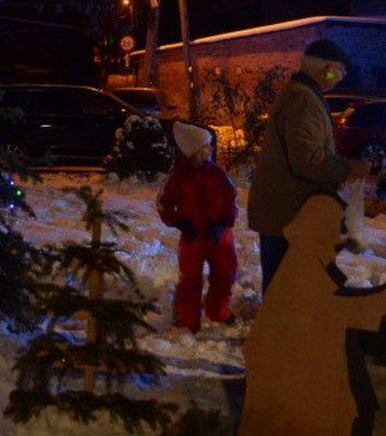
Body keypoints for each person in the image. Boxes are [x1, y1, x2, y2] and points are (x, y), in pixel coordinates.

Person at [248, 39, 371, 293]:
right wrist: (349, 167)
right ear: (326, 69)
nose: (340, 79)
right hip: (288, 214)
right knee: (286, 289)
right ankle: (278, 321)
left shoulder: (302, 94)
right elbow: (307, 160)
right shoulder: (303, 99)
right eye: (339, 71)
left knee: (283, 286)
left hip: (285, 213)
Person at [157, 121, 239, 333]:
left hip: (219, 234)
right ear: (193, 150)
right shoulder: (178, 177)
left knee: (225, 273)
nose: (209, 149)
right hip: (193, 234)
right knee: (190, 278)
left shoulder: (218, 174)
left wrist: (224, 222)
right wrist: (179, 222)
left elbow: (231, 200)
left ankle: (219, 311)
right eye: (205, 146)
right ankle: (187, 320)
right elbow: (163, 203)